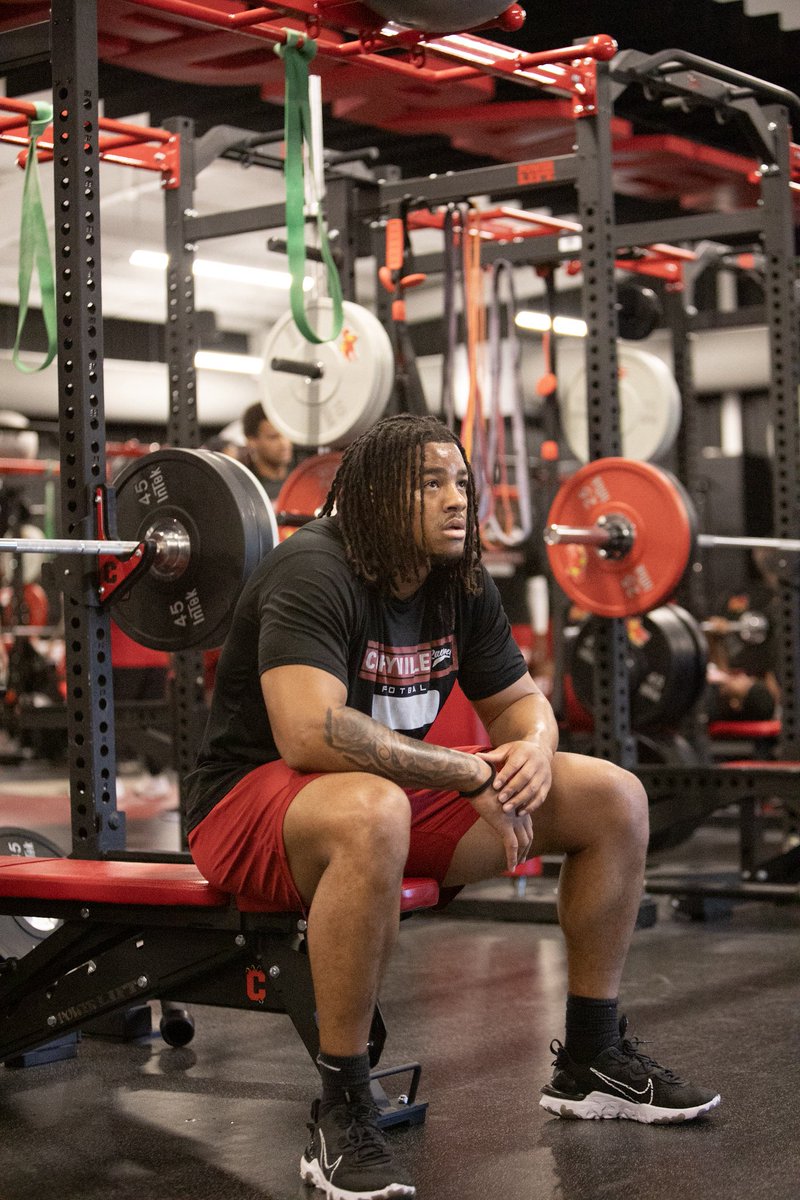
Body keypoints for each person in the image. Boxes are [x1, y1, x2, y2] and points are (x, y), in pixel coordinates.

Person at [185, 413, 719, 1200]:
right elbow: (308, 734)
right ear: (370, 497)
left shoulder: (458, 580)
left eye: (460, 482)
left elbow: (522, 705)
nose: (455, 500)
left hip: (387, 791)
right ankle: (342, 1109)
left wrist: (531, 751)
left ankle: (591, 1059)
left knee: (614, 796)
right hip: (249, 804)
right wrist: (468, 776)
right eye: (429, 483)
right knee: (374, 810)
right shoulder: (314, 571)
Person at [241, 401, 295, 501]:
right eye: (273, 437)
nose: (284, 443)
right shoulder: (244, 489)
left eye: (286, 434)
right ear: (251, 441)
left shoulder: (303, 479)